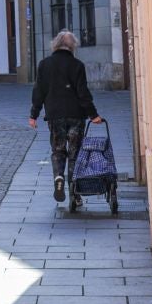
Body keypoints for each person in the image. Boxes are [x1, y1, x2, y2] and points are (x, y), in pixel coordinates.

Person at [28, 30, 103, 208]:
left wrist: (34, 114)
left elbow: (39, 91)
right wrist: (93, 115)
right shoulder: (77, 65)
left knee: (58, 150)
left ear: (55, 44)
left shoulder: (44, 65)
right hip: (76, 115)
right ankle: (75, 194)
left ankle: (59, 177)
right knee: (75, 153)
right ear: (72, 46)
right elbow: (83, 93)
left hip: (55, 116)